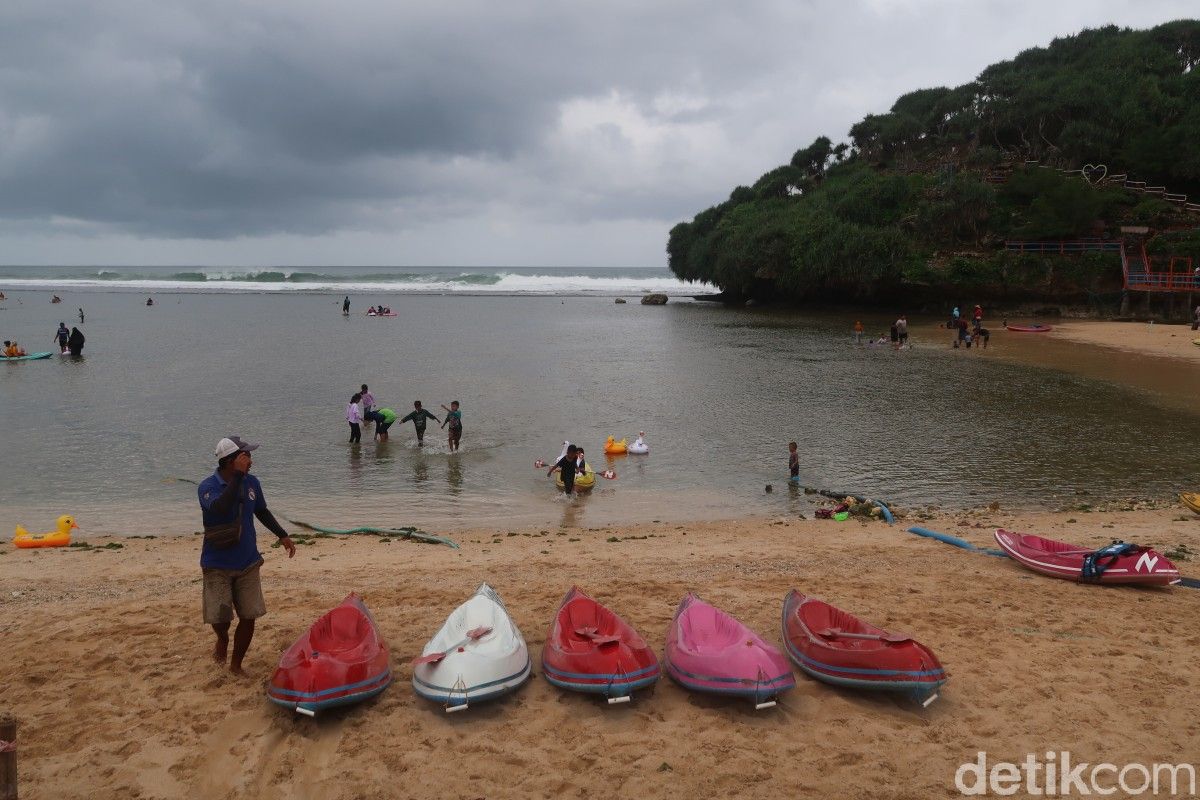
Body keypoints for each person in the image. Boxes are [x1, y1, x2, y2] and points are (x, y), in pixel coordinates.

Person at [197, 436, 296, 676]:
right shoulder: (207, 487)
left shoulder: (252, 483)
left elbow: (261, 510)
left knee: (249, 615)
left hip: (248, 561)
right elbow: (220, 509)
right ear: (231, 460)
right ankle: (222, 639)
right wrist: (239, 477)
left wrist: (282, 535)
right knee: (220, 619)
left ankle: (236, 664)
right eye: (246, 456)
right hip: (217, 563)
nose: (250, 460)